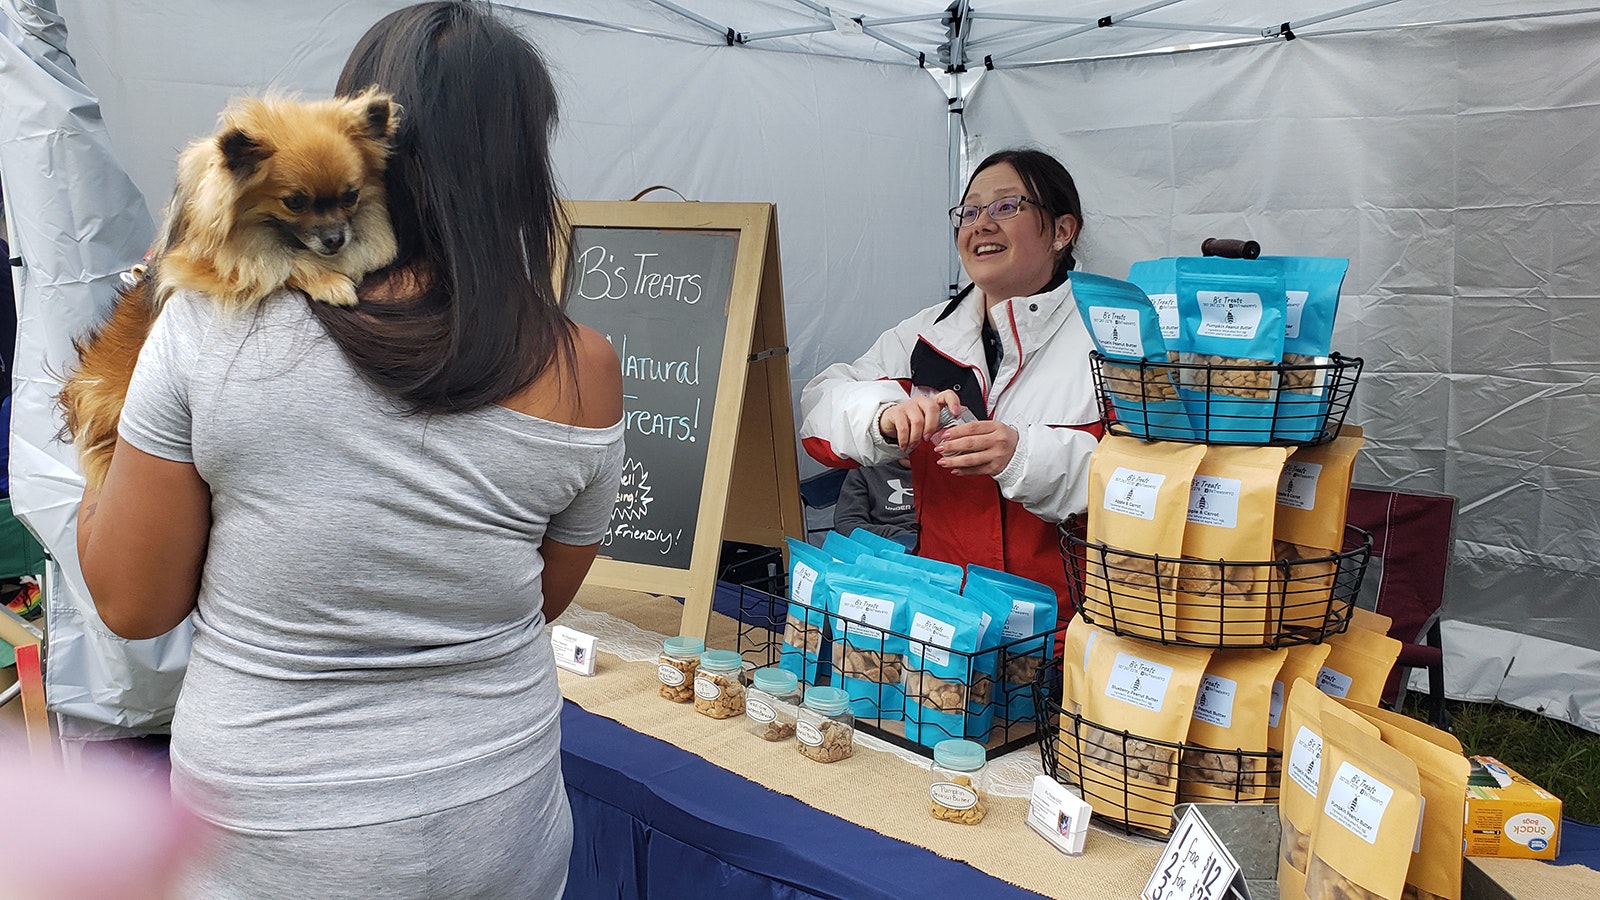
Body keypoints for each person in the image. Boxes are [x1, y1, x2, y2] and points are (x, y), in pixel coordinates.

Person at [75, 4, 624, 897]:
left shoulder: (209, 332)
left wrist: (101, 449)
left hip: (269, 837)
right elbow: (539, 599)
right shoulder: (584, 365)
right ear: (525, 166)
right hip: (498, 819)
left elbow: (133, 603)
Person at [800, 148, 1101, 603]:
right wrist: (883, 418)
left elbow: (1156, 481)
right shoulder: (926, 335)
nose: (981, 225)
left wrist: (1024, 456)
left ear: (1062, 231)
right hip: (945, 617)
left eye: (1006, 206)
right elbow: (820, 411)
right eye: (969, 211)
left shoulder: (1111, 336)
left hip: (1074, 622)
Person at [832, 459, 917, 548]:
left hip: (925, 540)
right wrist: (898, 536)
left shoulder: (928, 468)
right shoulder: (866, 469)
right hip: (890, 547)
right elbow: (847, 523)